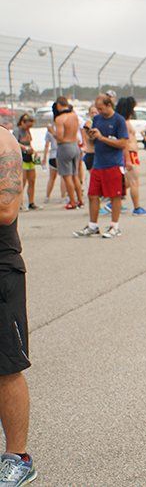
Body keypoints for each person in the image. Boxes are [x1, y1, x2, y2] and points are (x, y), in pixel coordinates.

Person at [0, 123, 37, 486]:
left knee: (5, 366)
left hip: (0, 268)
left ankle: (18, 457)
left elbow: (6, 209)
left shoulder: (3, 142)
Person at [73, 94, 128, 239]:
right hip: (98, 163)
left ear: (109, 105)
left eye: (101, 108)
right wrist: (90, 135)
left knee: (114, 196)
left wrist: (102, 137)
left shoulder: (119, 120)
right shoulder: (97, 120)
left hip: (114, 163)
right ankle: (93, 226)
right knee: (92, 195)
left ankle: (114, 226)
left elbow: (123, 143)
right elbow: (93, 142)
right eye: (96, 109)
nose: (98, 111)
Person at [116, 97, 146, 216]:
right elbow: (125, 142)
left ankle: (113, 202)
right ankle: (137, 208)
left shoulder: (124, 121)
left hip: (132, 154)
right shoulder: (124, 123)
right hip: (130, 154)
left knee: (127, 182)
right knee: (134, 182)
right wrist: (127, 160)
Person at [51, 96, 84, 210]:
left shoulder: (60, 119)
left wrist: (52, 132)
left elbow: (60, 137)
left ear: (59, 105)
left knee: (67, 176)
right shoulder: (74, 116)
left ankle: (72, 201)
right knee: (75, 175)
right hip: (75, 145)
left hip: (65, 147)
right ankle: (80, 200)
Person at [13, 114, 40, 211]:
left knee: (32, 181)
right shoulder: (17, 131)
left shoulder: (27, 131)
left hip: (29, 158)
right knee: (22, 182)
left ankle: (31, 203)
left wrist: (35, 152)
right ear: (22, 122)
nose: (29, 128)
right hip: (21, 158)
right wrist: (24, 147)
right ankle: (19, 204)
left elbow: (29, 143)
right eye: (28, 125)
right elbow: (15, 143)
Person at [42, 124, 65, 204]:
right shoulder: (62, 128)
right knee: (63, 177)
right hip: (61, 154)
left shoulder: (49, 130)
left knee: (51, 178)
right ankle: (63, 197)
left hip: (52, 155)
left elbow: (46, 145)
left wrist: (44, 158)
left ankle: (47, 196)